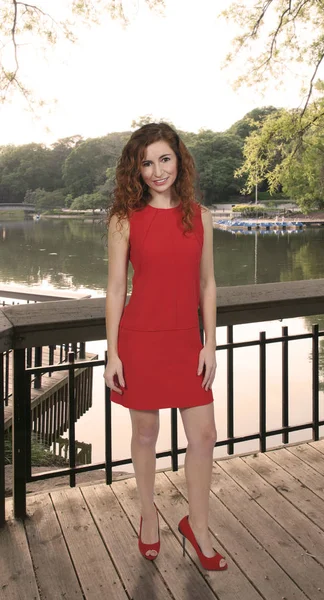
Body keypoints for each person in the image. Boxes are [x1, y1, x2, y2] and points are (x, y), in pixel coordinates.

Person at [104, 123, 227, 571]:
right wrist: (113, 351)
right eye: (147, 162)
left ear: (180, 160)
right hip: (139, 340)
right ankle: (149, 517)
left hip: (185, 342)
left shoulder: (201, 216)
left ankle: (197, 525)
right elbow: (116, 289)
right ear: (136, 170)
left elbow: (208, 284)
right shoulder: (123, 219)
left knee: (205, 436)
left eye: (165, 159)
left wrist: (210, 343)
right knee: (145, 435)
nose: (158, 170)